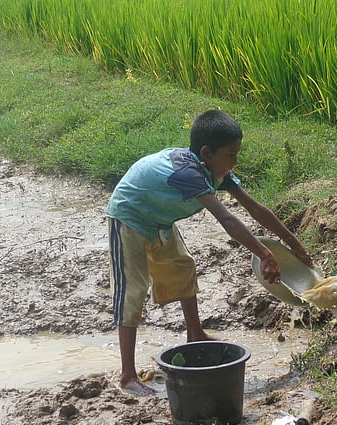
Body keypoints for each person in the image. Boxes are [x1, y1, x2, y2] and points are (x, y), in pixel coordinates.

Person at [106, 109, 313, 396]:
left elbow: (255, 209)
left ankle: (195, 334)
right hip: (129, 217)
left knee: (183, 267)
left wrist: (295, 243)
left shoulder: (214, 170)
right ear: (206, 152)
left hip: (159, 220)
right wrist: (265, 254)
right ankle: (128, 376)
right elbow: (226, 219)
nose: (235, 162)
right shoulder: (188, 173)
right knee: (132, 291)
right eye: (231, 155)